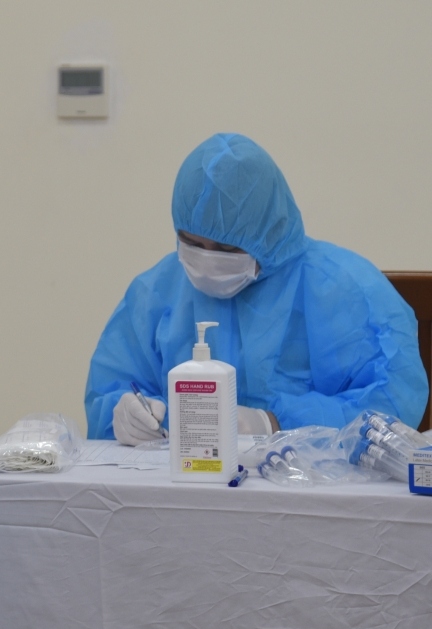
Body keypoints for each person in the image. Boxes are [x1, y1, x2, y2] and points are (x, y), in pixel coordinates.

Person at [85, 133, 427, 445]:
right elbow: (113, 384)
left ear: (270, 232)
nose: (208, 262)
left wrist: (275, 423)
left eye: (228, 249)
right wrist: (124, 414)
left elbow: (396, 398)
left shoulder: (348, 291)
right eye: (192, 242)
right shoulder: (155, 292)